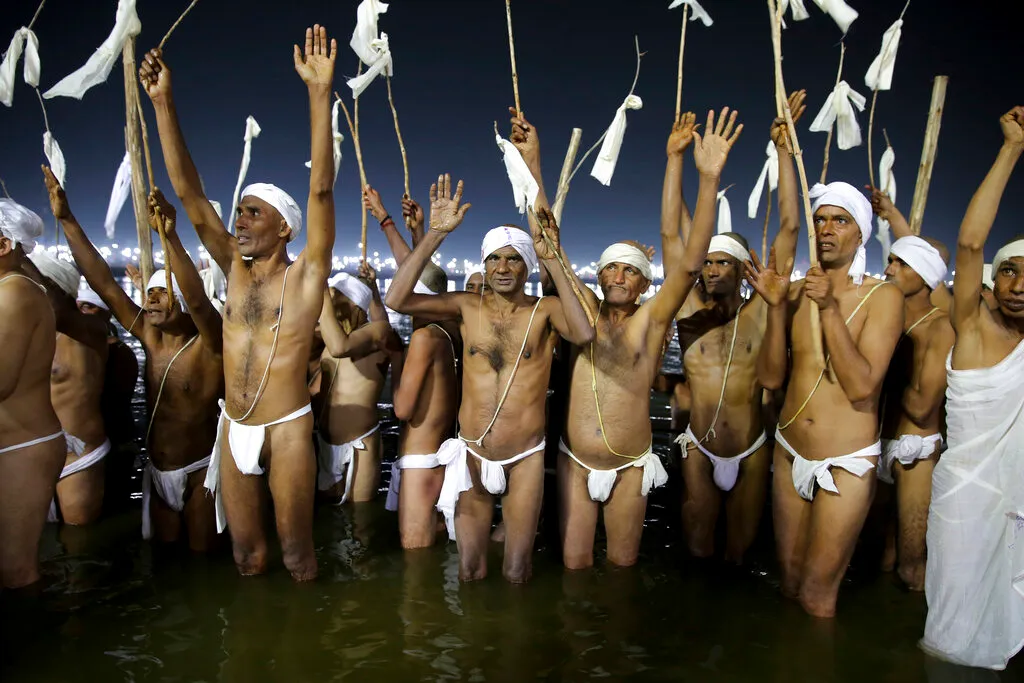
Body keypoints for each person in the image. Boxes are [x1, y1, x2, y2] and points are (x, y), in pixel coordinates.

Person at [140, 26, 337, 580]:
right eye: (240, 211)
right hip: (233, 424)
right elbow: (189, 194)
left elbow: (322, 190)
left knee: (297, 556)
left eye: (254, 213)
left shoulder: (305, 277)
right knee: (247, 557)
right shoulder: (232, 267)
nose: (240, 220)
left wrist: (319, 94)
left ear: (285, 229)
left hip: (287, 426)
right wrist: (162, 104)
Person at [543, 107, 741, 568]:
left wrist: (704, 176)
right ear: (598, 275)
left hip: (630, 464)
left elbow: (689, 263)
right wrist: (534, 161)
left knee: (621, 568)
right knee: (574, 566)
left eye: (630, 270)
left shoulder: (651, 320)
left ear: (644, 283)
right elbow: (549, 242)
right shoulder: (582, 309)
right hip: (574, 460)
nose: (618, 276)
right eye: (611, 267)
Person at [385, 172, 594, 583]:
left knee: (517, 570)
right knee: (469, 569)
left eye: (513, 258)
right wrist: (435, 234)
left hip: (525, 456)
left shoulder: (545, 311)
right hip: (472, 454)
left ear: (527, 265)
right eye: (494, 258)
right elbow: (396, 298)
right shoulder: (466, 306)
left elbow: (585, 333)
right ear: (483, 263)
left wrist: (553, 257)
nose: (502, 268)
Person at [747, 179, 903, 618]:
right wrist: (776, 307)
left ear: (861, 233)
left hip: (846, 459)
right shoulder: (795, 293)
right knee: (789, 583)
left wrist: (830, 308)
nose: (826, 229)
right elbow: (770, 377)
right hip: (790, 449)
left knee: (818, 595)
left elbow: (862, 386)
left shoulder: (883, 297)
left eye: (840, 220)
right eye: (820, 220)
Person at [42, 168, 222, 551]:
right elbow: (105, 285)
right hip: (157, 470)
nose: (151, 299)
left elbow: (199, 300)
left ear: (182, 302)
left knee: (202, 561)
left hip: (199, 472)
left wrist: (169, 237)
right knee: (164, 563)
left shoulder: (209, 342)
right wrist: (68, 219)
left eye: (162, 292)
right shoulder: (150, 338)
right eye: (149, 293)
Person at [673, 93, 804, 564]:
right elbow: (677, 230)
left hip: (751, 447)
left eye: (722, 263)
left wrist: (785, 151)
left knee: (738, 553)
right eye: (706, 263)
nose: (711, 271)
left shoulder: (763, 309)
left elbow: (790, 228)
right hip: (698, 444)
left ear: (742, 268)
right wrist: (677, 161)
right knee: (697, 548)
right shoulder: (689, 307)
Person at [921, 106, 1024, 671]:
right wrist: (1011, 149)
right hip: (964, 497)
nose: (1018, 285)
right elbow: (969, 243)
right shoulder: (973, 327)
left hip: (1021, 500)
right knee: (953, 629)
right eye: (1008, 271)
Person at [365, 186, 460, 548]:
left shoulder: (422, 340)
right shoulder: (449, 333)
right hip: (440, 454)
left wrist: (395, 359)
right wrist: (388, 220)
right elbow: (420, 272)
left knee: (415, 551)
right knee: (433, 543)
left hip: (419, 459)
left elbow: (403, 409)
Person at [876, 235, 953, 591]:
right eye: (890, 260)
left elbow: (923, 408)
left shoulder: (941, 327)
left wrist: (883, 360)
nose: (889, 269)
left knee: (911, 566)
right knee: (877, 559)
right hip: (873, 442)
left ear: (924, 274)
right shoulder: (881, 316)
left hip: (915, 449)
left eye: (901, 263)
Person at [0, 199, 66, 588]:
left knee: (15, 570)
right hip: (14, 442)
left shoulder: (14, 293)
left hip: (21, 447)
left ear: (4, 245)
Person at [24, 246, 110, 526]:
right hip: (31, 452)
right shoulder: (24, 331)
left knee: (78, 539)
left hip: (77, 455)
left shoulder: (89, 330)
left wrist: (17, 253)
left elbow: (58, 309)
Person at [316, 261, 401, 504]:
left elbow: (340, 347)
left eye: (336, 298)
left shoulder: (377, 332)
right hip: (323, 441)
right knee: (327, 516)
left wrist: (321, 288)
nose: (329, 305)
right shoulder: (330, 333)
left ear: (355, 306)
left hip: (359, 444)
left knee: (360, 518)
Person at [77, 284, 141, 515]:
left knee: (112, 509)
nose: (81, 313)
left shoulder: (119, 352)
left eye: (88, 306)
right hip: (86, 446)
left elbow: (113, 401)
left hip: (113, 445)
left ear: (106, 313)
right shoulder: (76, 348)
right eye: (78, 307)